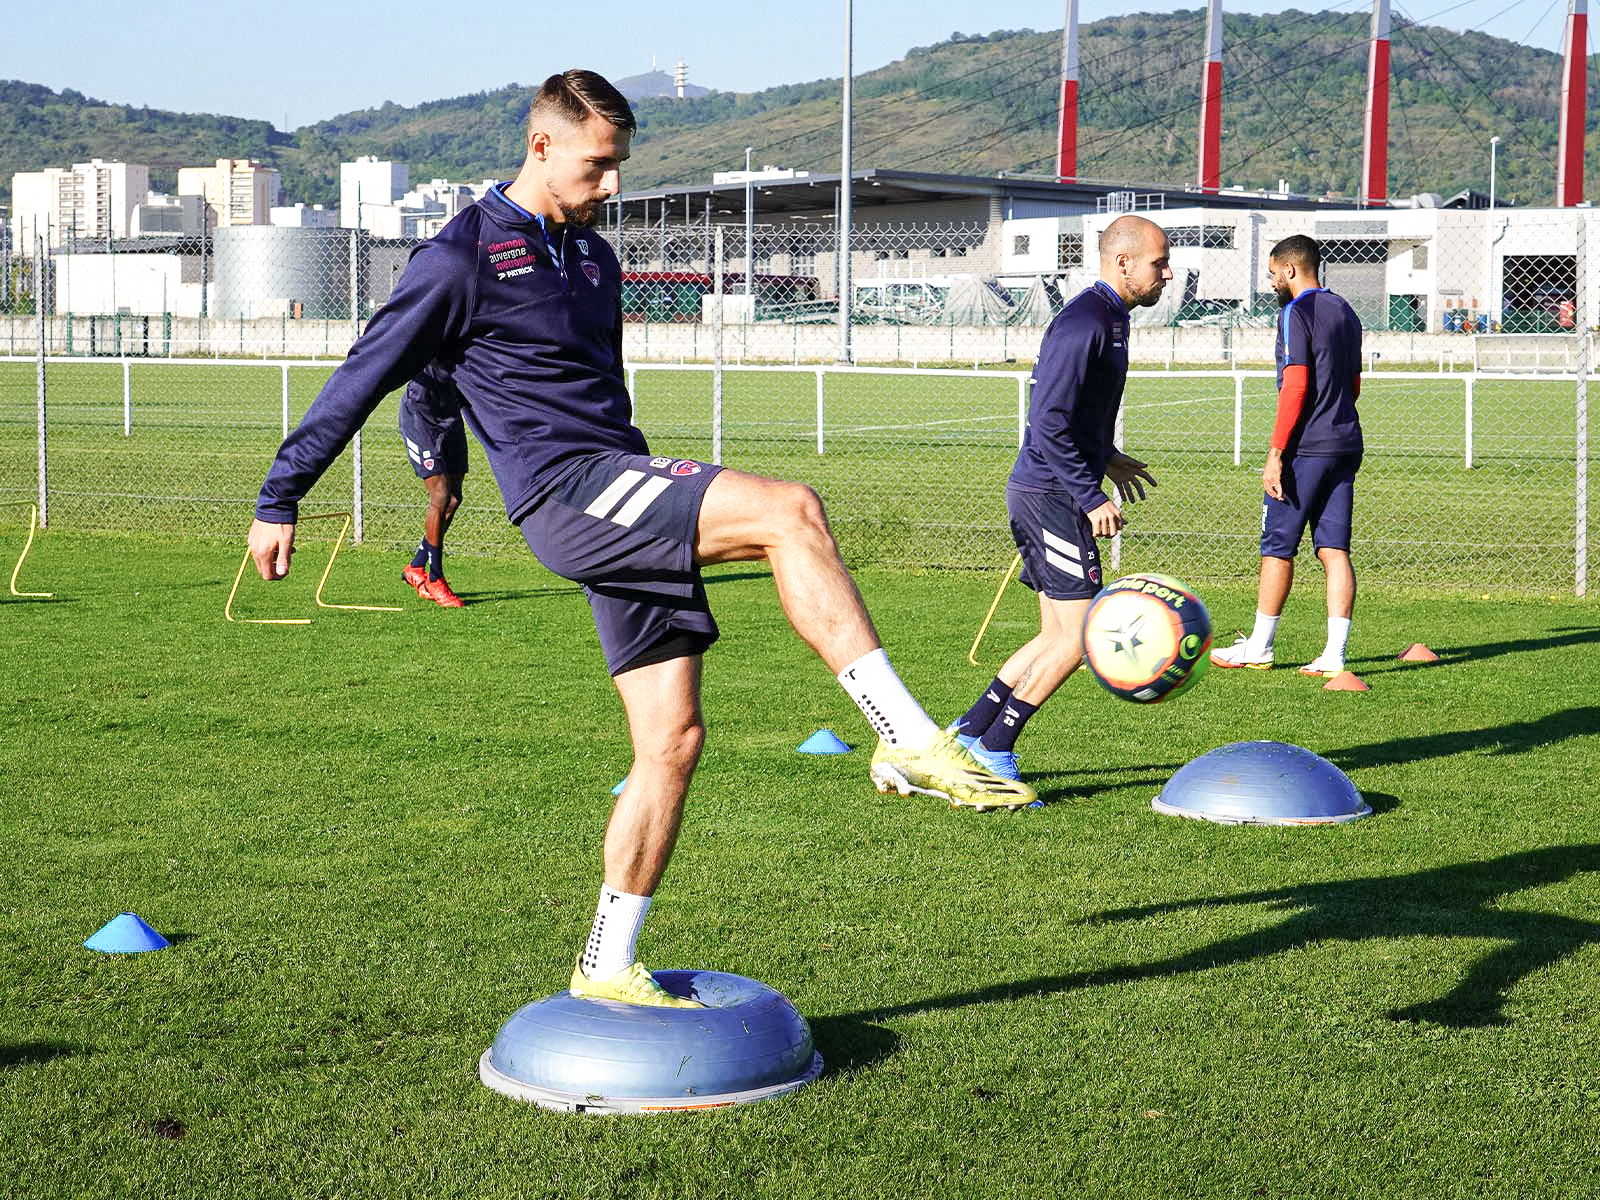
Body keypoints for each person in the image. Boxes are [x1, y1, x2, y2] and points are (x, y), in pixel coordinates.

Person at [246, 69, 1033, 1010]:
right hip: (565, 494)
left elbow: (601, 398)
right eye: (598, 165)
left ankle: (606, 962)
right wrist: (282, 494)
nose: (612, 185)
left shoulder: (591, 255)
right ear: (541, 146)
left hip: (619, 487)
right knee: (792, 511)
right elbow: (363, 375)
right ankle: (905, 735)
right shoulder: (457, 259)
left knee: (673, 743)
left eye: (619, 164)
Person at [950, 215, 1171, 780]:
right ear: (1123, 262)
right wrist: (1090, 496)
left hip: (1047, 490)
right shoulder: (1085, 322)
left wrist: (1108, 456)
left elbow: (1076, 416)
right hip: (1052, 495)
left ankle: (968, 732)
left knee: (1055, 633)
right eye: (1159, 263)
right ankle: (995, 750)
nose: (1167, 274)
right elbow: (1047, 420)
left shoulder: (1110, 319)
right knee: (1079, 637)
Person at [1210, 234, 1364, 677]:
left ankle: (1259, 646)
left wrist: (1276, 452)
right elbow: (1354, 384)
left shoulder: (1296, 311)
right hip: (1345, 442)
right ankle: (1334, 654)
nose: (1272, 281)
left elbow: (1295, 384)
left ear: (1291, 269)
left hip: (1306, 449)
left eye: (1273, 273)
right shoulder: (1346, 310)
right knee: (1334, 549)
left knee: (1277, 547)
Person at [399, 363, 468, 607]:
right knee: (440, 495)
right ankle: (435, 578)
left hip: (450, 411)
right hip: (421, 414)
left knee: (454, 499)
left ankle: (416, 566)